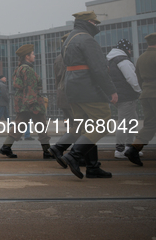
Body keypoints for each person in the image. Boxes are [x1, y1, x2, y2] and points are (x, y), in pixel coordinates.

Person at [49, 11, 117, 179]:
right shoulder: (87, 39)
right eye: (95, 23)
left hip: (72, 89)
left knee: (84, 127)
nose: (96, 26)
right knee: (104, 123)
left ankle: (92, 167)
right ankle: (74, 155)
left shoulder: (69, 40)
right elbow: (99, 69)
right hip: (88, 89)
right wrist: (111, 90)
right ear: (88, 22)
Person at [0, 44, 51, 159]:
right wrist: (33, 104)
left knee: (19, 125)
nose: (34, 56)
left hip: (22, 102)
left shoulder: (19, 69)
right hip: (31, 101)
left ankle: (6, 147)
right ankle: (47, 151)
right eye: (32, 54)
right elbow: (30, 87)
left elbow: (19, 85)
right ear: (27, 56)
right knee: (41, 125)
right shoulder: (28, 70)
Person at [125, 32, 156, 166]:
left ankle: (134, 148)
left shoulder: (141, 58)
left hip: (146, 94)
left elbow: (137, 77)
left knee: (150, 124)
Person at [107, 39, 141, 159]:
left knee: (132, 120)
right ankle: (120, 149)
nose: (130, 51)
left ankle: (128, 146)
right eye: (129, 49)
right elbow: (132, 78)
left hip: (116, 95)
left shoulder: (110, 60)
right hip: (127, 96)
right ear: (126, 49)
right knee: (125, 123)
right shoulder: (123, 60)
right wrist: (139, 90)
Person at [54, 33, 74, 125]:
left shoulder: (58, 58)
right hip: (73, 93)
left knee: (72, 126)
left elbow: (56, 79)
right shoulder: (73, 55)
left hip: (61, 93)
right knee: (79, 127)